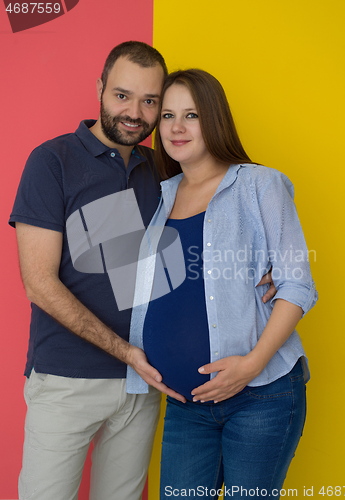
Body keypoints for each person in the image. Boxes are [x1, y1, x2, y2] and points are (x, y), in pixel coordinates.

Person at [127, 69, 318, 499]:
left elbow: (298, 284)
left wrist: (249, 366)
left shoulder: (258, 184)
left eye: (191, 115)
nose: (176, 128)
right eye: (169, 115)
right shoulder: (159, 195)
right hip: (184, 405)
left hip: (260, 397)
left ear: (214, 118)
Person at [9, 41, 184, 500]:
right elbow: (39, 284)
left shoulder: (161, 168)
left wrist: (261, 267)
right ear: (100, 88)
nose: (135, 113)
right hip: (67, 379)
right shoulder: (53, 161)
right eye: (122, 95)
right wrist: (125, 351)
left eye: (150, 101)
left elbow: (225, 205)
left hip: (143, 383)